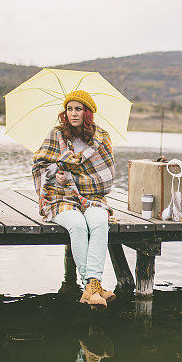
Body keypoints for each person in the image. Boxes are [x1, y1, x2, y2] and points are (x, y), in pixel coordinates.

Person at [32, 90, 115, 306]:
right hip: (59, 198)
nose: (73, 113)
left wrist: (73, 177)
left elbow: (106, 177)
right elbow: (40, 166)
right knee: (78, 225)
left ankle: (91, 287)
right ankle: (92, 284)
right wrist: (55, 173)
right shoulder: (56, 134)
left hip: (92, 198)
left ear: (87, 113)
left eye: (78, 109)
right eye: (69, 109)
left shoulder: (102, 138)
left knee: (98, 222)